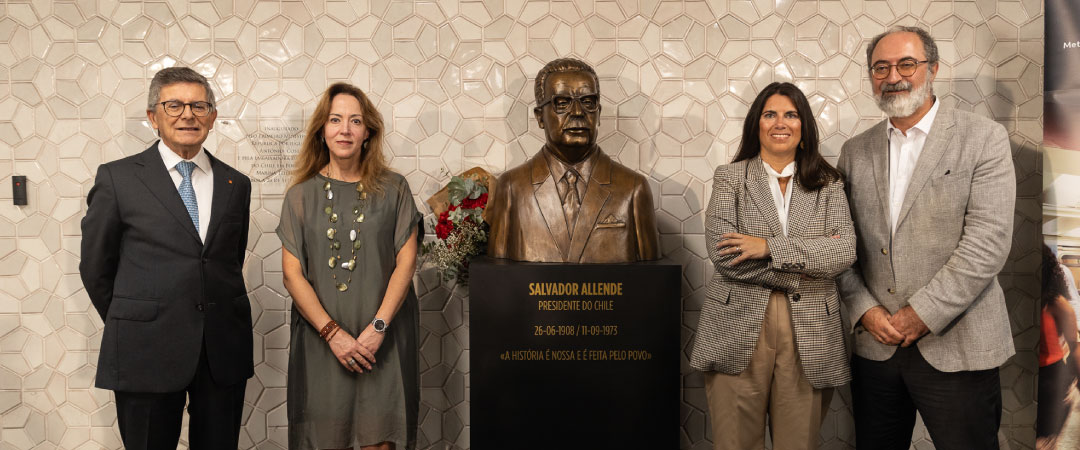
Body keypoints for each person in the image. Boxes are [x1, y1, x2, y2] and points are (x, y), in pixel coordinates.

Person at [837, 26, 1016, 449]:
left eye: (906, 64)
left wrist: (921, 314)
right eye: (880, 67)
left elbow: (987, 245)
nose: (893, 76)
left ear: (932, 69)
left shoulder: (983, 139)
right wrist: (863, 310)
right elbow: (839, 245)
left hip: (958, 343)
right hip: (876, 347)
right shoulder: (854, 151)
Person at [79, 66, 253, 449]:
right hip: (145, 348)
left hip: (221, 350)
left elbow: (227, 261)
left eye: (198, 106)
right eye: (174, 105)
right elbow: (95, 267)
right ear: (152, 117)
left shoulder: (236, 183)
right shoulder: (118, 179)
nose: (187, 115)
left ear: (213, 117)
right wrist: (138, 318)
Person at [690, 82, 856, 450]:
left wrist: (767, 248)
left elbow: (843, 252)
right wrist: (812, 261)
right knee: (735, 444)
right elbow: (726, 257)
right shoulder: (730, 177)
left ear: (804, 126)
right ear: (756, 124)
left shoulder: (828, 183)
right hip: (738, 326)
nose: (780, 123)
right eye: (770, 114)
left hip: (811, 328)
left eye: (791, 114)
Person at [277, 82, 421, 450]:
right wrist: (332, 334)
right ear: (322, 132)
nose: (345, 129)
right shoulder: (300, 195)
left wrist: (378, 327)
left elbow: (406, 261)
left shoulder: (395, 188)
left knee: (380, 442)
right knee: (326, 440)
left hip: (382, 339)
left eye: (355, 121)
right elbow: (292, 274)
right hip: (321, 341)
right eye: (335, 120)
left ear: (368, 132)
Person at [486, 58, 659, 263]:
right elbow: (497, 277)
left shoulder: (633, 189)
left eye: (588, 102)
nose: (578, 112)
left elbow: (651, 283)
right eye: (562, 103)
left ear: (599, 113)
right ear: (540, 116)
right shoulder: (512, 188)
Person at [1037, 244, 1080, 448]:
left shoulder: (1057, 303)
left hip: (1050, 381)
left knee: (1042, 443)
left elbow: (1076, 347)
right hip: (1032, 378)